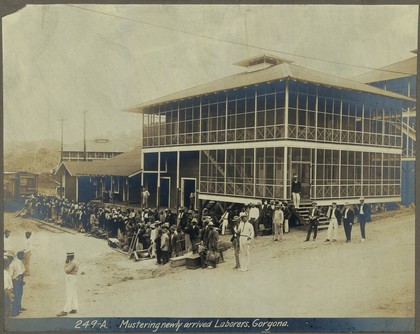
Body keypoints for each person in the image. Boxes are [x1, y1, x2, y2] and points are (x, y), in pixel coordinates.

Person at [57, 252, 79, 317]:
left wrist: (66, 264)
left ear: (71, 257)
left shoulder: (72, 263)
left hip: (71, 278)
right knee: (74, 293)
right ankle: (75, 308)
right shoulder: (75, 261)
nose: (67, 258)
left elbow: (66, 271)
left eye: (68, 257)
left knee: (69, 294)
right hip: (74, 277)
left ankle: (65, 310)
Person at [9, 251, 26, 317]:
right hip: (16, 281)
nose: (24, 257)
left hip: (20, 281)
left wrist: (22, 281)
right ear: (19, 256)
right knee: (16, 296)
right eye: (23, 255)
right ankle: (15, 311)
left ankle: (18, 307)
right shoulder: (13, 264)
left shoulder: (20, 263)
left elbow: (22, 272)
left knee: (20, 294)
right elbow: (10, 276)